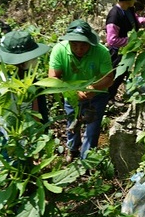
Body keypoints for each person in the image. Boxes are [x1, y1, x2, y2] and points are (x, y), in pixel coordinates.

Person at [49, 19, 114, 162]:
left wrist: (94, 88)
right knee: (72, 122)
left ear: (90, 42)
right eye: (74, 45)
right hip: (72, 96)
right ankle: (72, 149)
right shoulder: (59, 50)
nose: (79, 49)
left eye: (83, 45)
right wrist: (73, 90)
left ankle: (87, 159)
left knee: (93, 127)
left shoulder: (101, 52)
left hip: (96, 96)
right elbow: (53, 78)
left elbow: (109, 77)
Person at [0, 30, 51, 162]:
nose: (36, 61)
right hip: (3, 134)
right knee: (1, 163)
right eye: (33, 58)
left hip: (24, 134)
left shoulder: (32, 82)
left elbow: (37, 114)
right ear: (24, 63)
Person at [105, 0, 145, 101]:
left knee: (122, 76)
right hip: (117, 53)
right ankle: (107, 99)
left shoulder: (129, 9)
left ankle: (112, 98)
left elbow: (135, 22)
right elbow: (111, 40)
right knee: (115, 76)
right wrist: (132, 40)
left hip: (129, 50)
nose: (135, 0)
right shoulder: (114, 15)